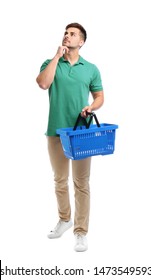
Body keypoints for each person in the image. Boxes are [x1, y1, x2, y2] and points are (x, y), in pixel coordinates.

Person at [36, 23, 104, 252]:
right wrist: (57, 56)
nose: (67, 36)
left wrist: (91, 106)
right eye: (66, 33)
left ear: (81, 41)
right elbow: (44, 83)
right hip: (56, 131)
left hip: (81, 133)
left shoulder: (91, 68)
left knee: (81, 183)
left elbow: (99, 96)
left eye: (72, 34)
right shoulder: (50, 63)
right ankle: (65, 220)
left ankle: (81, 232)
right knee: (59, 180)